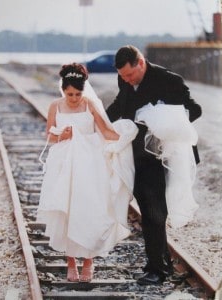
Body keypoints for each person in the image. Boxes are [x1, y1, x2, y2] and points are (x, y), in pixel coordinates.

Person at [106, 45, 202, 285]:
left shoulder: (168, 80)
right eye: (122, 77)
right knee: (150, 211)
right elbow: (120, 105)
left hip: (164, 158)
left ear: (140, 62)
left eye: (129, 75)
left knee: (153, 213)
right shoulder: (124, 81)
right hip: (137, 156)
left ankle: (157, 269)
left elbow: (194, 110)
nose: (126, 80)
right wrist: (98, 123)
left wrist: (161, 123)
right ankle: (162, 264)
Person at [37, 63, 138, 282]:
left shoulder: (90, 104)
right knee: (67, 211)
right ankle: (71, 263)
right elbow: (48, 136)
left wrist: (129, 133)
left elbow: (106, 132)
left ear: (84, 90)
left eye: (78, 93)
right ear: (63, 90)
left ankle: (89, 261)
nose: (74, 98)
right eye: (70, 94)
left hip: (89, 164)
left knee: (88, 210)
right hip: (63, 164)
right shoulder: (55, 105)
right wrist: (61, 136)